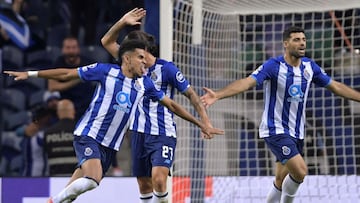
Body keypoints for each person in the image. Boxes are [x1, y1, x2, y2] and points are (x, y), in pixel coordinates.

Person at [4, 39, 223, 203]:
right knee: (92, 179)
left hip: (110, 146)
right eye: (140, 57)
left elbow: (173, 105)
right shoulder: (103, 71)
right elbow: (67, 74)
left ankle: (57, 200)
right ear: (127, 58)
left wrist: (201, 123)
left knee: (74, 192)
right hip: (89, 134)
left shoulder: (144, 85)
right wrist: (31, 74)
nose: (144, 62)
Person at [200, 26, 360, 203]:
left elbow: (336, 86)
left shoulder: (309, 67)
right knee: (300, 171)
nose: (302, 43)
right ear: (286, 43)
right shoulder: (273, 66)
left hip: (297, 132)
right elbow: (247, 83)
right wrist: (218, 94)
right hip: (275, 129)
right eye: (296, 40)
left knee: (280, 180)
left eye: (303, 40)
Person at [101, 8, 214, 203]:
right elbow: (106, 42)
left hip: (163, 132)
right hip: (138, 133)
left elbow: (191, 95)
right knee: (144, 185)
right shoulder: (129, 62)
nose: (125, 53)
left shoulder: (167, 69)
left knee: (159, 180)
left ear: (143, 49)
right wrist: (122, 22)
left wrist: (205, 121)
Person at [48, 36, 96, 120]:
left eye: (74, 48)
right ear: (62, 49)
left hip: (86, 105)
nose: (71, 51)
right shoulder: (58, 63)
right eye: (68, 48)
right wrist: (77, 79)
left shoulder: (88, 64)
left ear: (78, 49)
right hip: (65, 105)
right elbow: (52, 87)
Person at [44, 99, 77, 176]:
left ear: (58, 113)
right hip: (77, 177)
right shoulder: (81, 131)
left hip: (55, 177)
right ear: (73, 111)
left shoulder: (48, 132)